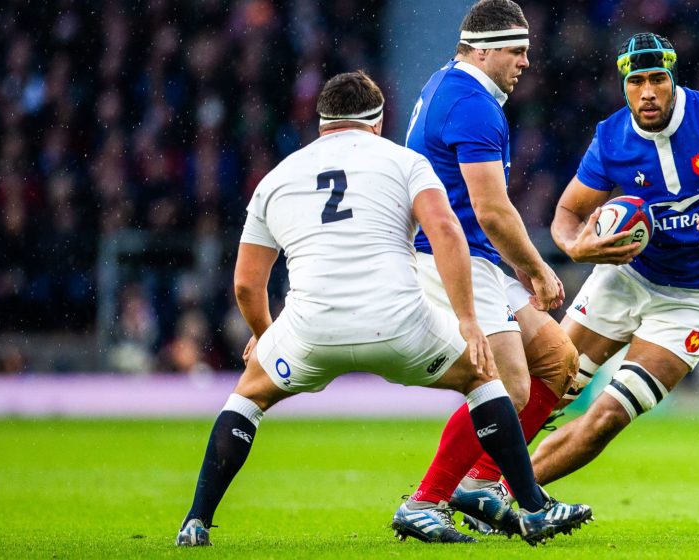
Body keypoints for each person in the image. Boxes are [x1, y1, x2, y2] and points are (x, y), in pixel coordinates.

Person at [174, 71, 582, 547]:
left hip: (311, 330)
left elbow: (247, 283)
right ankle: (530, 507)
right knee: (486, 382)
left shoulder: (276, 177)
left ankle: (196, 520)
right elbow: (447, 234)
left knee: (247, 399)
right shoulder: (405, 162)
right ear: (379, 120)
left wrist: (266, 336)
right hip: (398, 326)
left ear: (321, 121)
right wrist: (468, 322)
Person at [459, 32, 699, 532]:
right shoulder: (611, 138)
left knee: (607, 417)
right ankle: (454, 490)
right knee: (547, 388)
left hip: (697, 300)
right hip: (625, 279)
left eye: (657, 79)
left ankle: (499, 498)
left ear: (673, 81)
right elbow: (567, 213)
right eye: (636, 82)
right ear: (624, 86)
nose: (647, 91)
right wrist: (577, 248)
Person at [391, 0, 590, 542]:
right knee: (510, 389)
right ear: (482, 49)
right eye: (516, 51)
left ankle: (482, 484)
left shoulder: (446, 85)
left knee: (558, 361)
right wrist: (536, 268)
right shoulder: (473, 104)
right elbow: (491, 210)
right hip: (454, 258)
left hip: (471, 254)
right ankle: (426, 499)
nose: (525, 62)